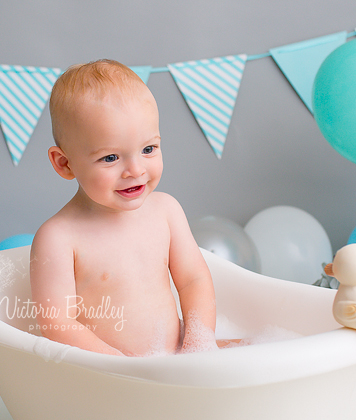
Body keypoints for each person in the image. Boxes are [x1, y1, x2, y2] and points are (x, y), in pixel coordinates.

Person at [29, 59, 218, 357]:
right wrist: (120, 367)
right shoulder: (59, 237)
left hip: (177, 359)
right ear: (64, 164)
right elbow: (57, 323)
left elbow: (194, 279)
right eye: (110, 158)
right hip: (109, 377)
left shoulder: (166, 211)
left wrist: (198, 343)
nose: (135, 170)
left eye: (148, 149)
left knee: (255, 353)